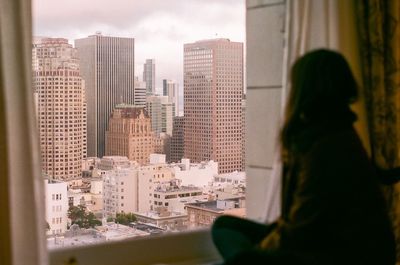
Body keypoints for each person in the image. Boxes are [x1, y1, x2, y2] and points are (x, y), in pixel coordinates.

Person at [211, 49, 396, 265]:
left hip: (340, 253)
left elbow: (300, 230)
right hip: (331, 242)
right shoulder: (338, 129)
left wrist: (260, 254)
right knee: (225, 227)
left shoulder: (327, 144)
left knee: (240, 253)